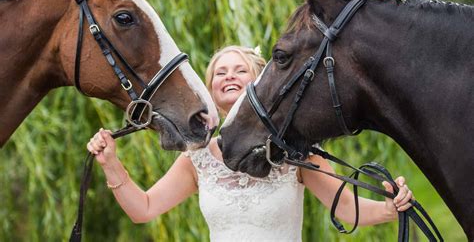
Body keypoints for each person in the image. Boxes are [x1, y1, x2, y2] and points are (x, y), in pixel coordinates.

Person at [87, 45, 413, 242]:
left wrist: (389, 209)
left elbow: (344, 207)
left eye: (239, 70)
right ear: (210, 89)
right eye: (220, 72)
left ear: (260, 82)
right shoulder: (197, 158)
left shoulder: (295, 152)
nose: (228, 76)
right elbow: (143, 209)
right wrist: (110, 163)